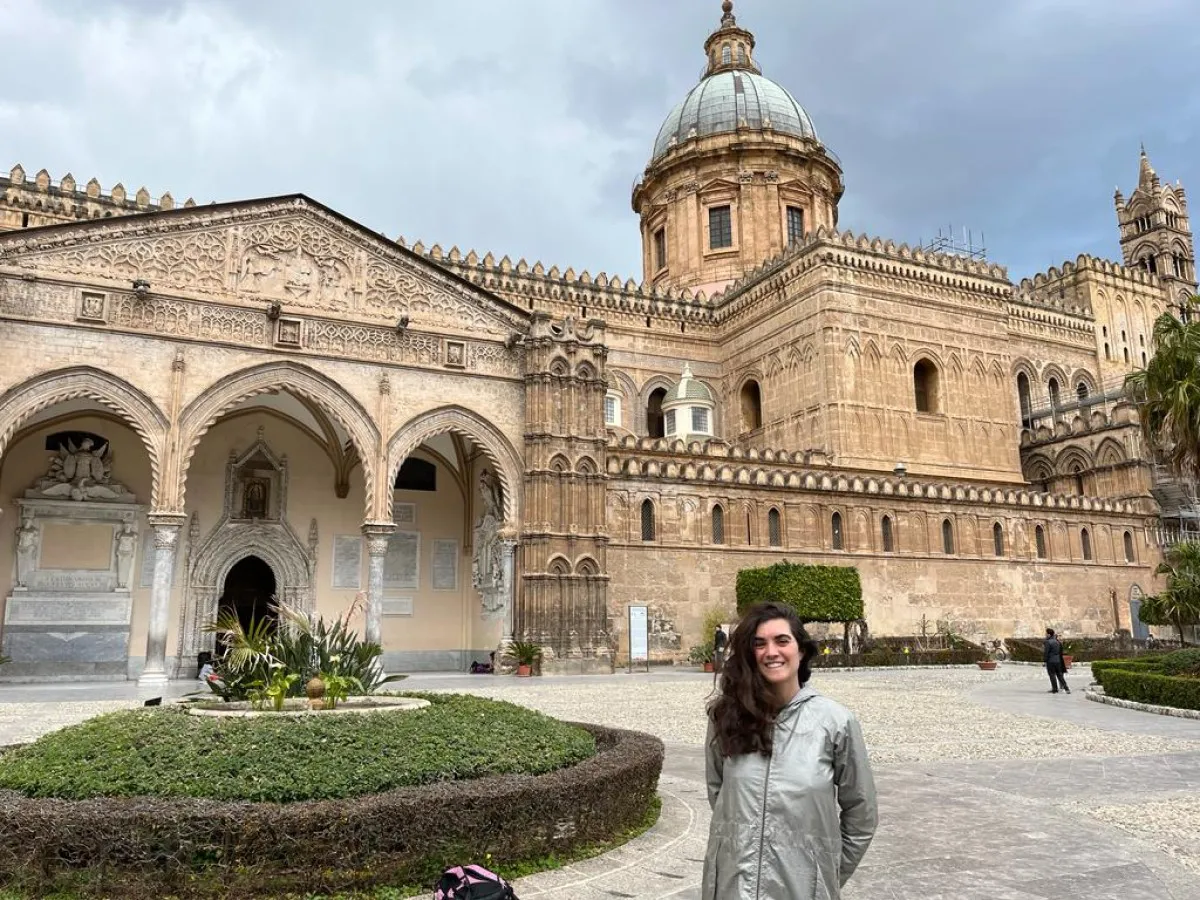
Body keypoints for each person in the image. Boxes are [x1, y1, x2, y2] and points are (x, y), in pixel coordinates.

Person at [703, 601, 877, 898]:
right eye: (759, 644)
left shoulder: (835, 722)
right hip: (735, 888)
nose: (771, 652)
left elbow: (861, 814)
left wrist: (824, 874)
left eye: (782, 641)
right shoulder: (727, 716)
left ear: (802, 650)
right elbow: (719, 795)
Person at [1043, 627, 1070, 694]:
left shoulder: (1048, 642)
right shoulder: (1058, 642)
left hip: (1050, 661)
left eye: (1046, 633)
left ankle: (1055, 689)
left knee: (1052, 675)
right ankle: (1066, 688)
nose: (1045, 635)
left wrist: (1045, 661)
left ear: (1049, 634)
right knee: (1059, 675)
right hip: (1058, 661)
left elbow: (1046, 652)